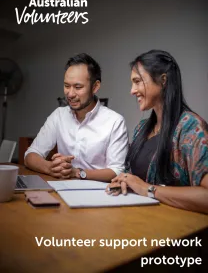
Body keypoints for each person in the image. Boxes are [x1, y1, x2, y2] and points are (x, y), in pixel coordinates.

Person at [107, 49, 208, 214]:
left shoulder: (191, 127)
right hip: (139, 220)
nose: (132, 90)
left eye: (138, 81)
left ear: (163, 81)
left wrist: (148, 189)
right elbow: (131, 176)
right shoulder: (142, 128)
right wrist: (122, 181)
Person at [25, 53, 129, 182]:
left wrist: (77, 173)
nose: (70, 94)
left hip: (99, 192)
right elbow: (30, 155)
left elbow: (117, 171)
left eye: (78, 87)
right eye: (67, 86)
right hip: (63, 187)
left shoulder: (114, 121)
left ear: (95, 86)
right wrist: (50, 168)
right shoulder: (58, 115)